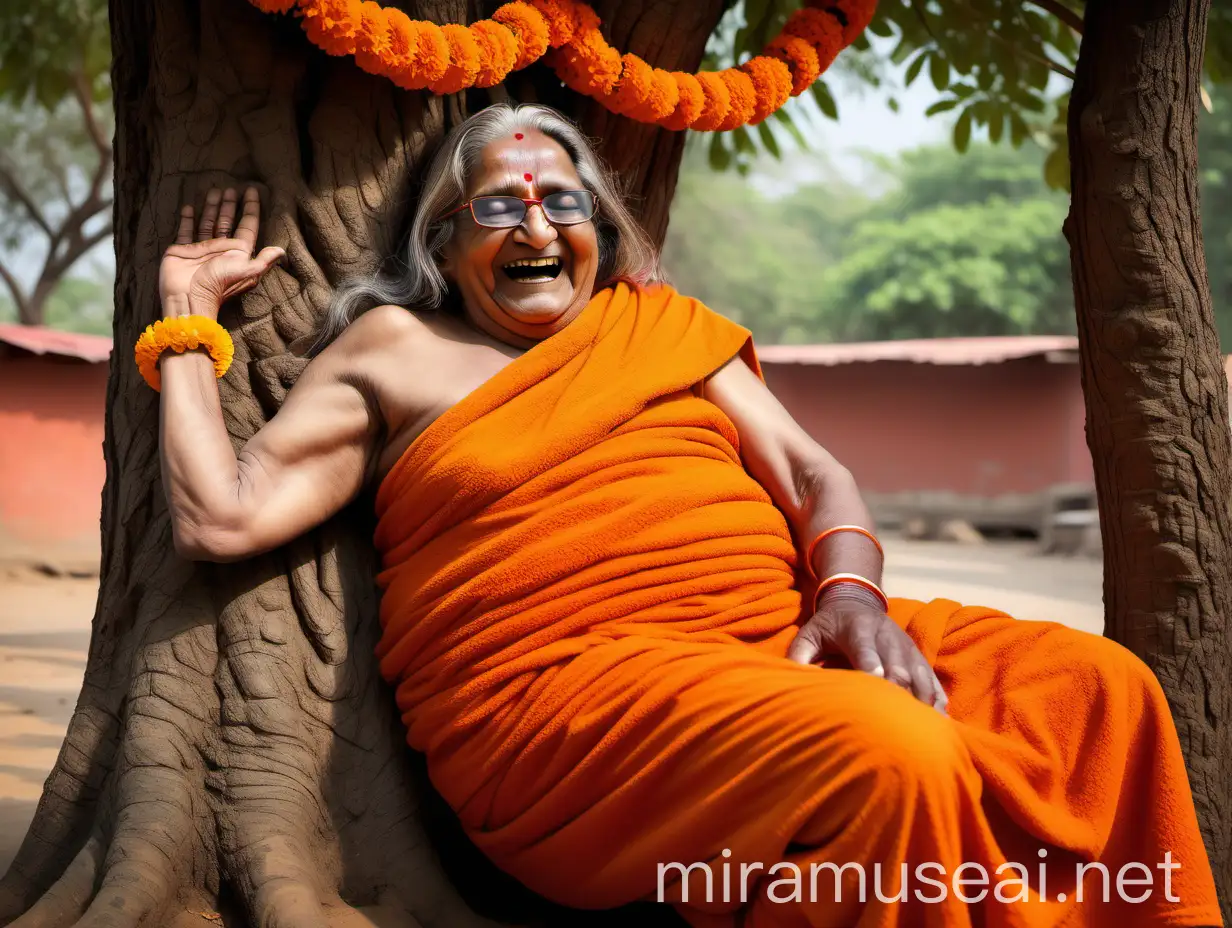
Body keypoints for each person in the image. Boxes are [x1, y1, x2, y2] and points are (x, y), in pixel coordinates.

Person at [151, 103, 1220, 927]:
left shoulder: (657, 324)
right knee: (894, 756)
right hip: (564, 710)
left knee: (1098, 691)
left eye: (560, 201)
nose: (534, 221)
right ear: (446, 235)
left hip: (774, 643)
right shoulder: (391, 349)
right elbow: (222, 517)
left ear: (595, 225)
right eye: (498, 204)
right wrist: (186, 323)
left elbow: (811, 476)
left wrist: (849, 595)